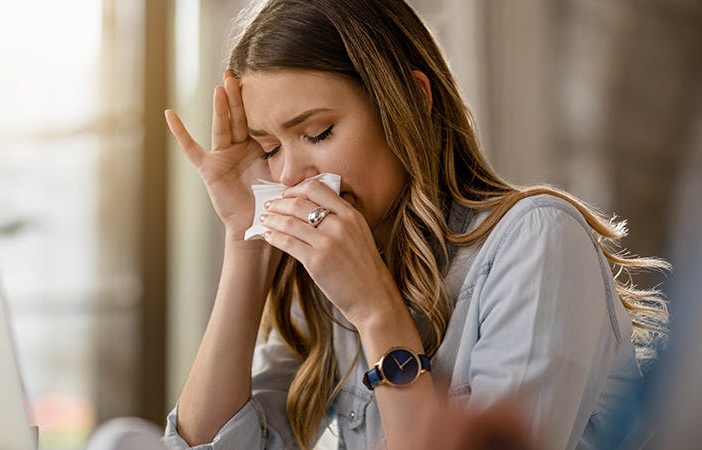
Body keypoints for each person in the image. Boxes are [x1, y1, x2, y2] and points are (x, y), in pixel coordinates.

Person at [160, 0, 669, 449]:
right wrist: (244, 239)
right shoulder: (329, 277)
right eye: (270, 148)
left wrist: (377, 312)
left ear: (411, 98)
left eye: (318, 133)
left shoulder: (537, 241)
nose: (290, 176)